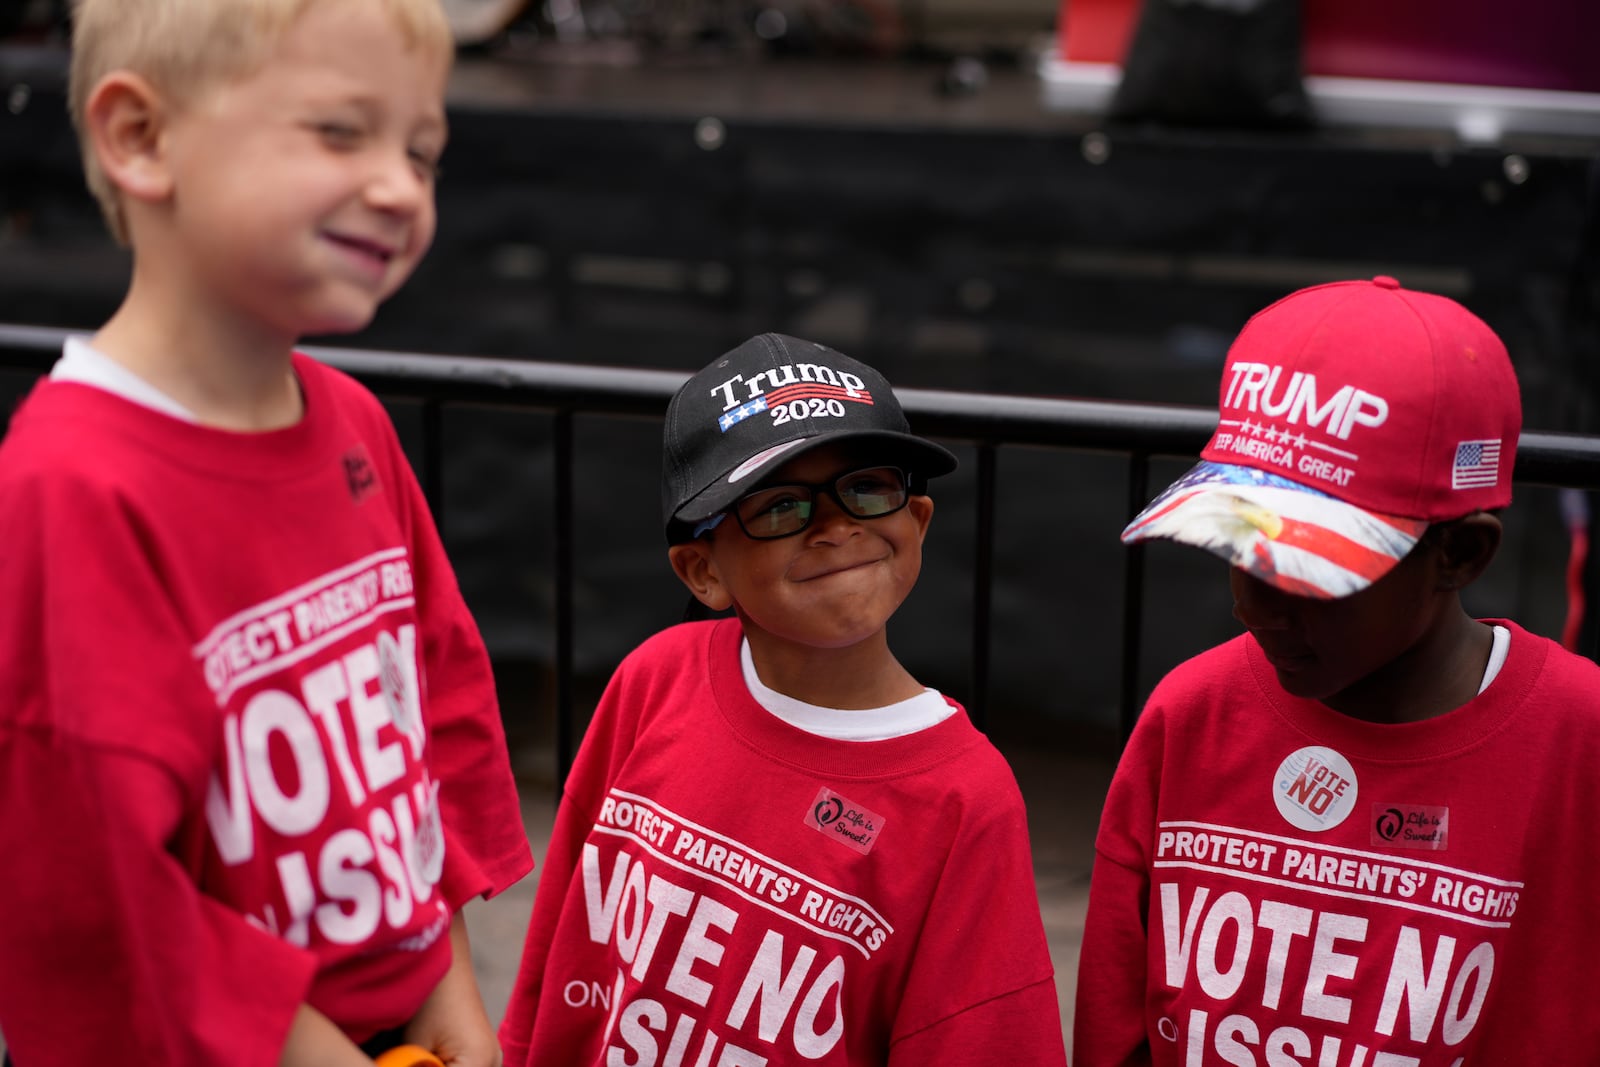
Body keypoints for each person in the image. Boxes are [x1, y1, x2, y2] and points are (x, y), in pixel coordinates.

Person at [0, 1, 533, 1063]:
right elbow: (95, 880)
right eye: (341, 133)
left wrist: (448, 986)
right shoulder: (71, 486)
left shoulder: (355, 423)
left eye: (421, 150)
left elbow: (430, 705)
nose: (398, 185)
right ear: (140, 138)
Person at [498, 333, 1068, 1066]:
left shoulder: (966, 798)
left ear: (917, 521)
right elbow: (562, 942)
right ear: (703, 571)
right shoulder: (655, 678)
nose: (836, 526)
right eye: (779, 506)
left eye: (866, 486)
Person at [1074, 277, 1600, 1064]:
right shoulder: (1194, 711)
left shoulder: (1578, 740)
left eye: (1305, 571)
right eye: (1238, 546)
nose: (1254, 605)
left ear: (1460, 554)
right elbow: (1118, 1020)